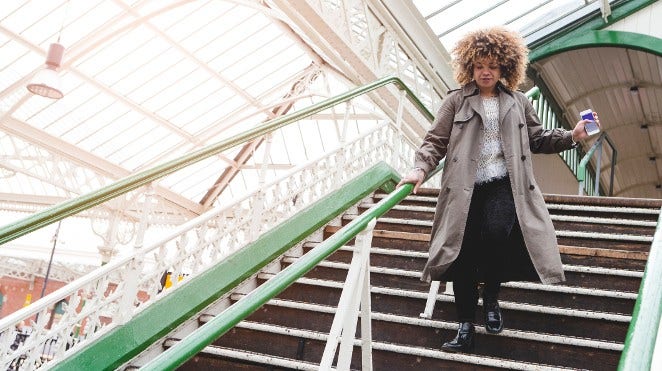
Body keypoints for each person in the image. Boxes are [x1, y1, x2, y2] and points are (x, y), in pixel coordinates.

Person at [397, 26, 599, 353]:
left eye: (492, 65)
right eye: (479, 65)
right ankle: (465, 326)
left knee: (494, 234)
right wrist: (420, 168)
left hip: (505, 185)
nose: (485, 71)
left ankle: (490, 295)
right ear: (470, 67)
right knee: (461, 254)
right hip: (464, 189)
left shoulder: (518, 103)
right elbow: (434, 141)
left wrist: (572, 135)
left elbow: (538, 139)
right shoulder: (455, 102)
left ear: (505, 66)